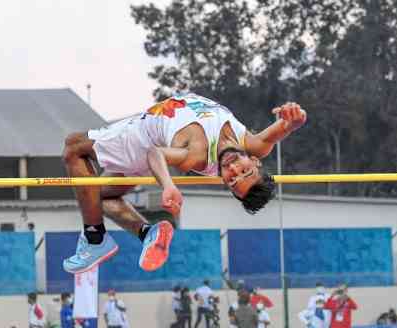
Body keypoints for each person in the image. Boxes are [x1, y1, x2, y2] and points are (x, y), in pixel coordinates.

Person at [61, 93, 307, 273]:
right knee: (94, 196)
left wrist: (168, 185)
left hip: (139, 137)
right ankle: (148, 232)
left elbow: (155, 154)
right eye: (243, 171)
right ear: (255, 162)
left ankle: (95, 239)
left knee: (74, 147)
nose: (232, 169)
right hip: (146, 131)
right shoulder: (254, 145)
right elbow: (285, 127)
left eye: (232, 180)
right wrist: (293, 120)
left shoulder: (197, 154)